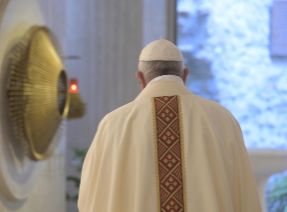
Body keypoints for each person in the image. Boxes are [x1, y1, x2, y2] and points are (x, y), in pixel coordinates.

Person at [78, 39, 261, 212]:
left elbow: (91, 196)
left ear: (140, 78)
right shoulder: (222, 118)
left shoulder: (114, 124)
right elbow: (244, 192)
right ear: (185, 75)